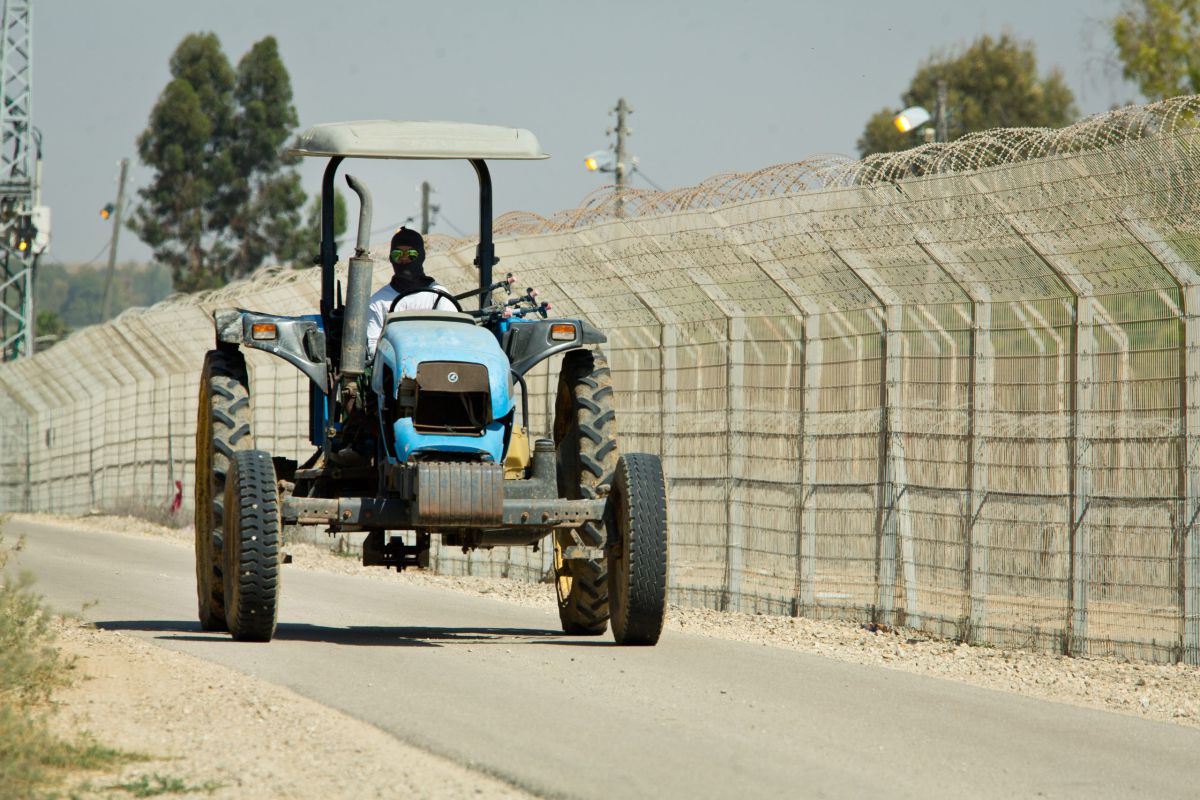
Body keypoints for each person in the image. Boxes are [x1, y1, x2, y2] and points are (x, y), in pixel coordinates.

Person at [365, 227, 451, 358]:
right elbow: (372, 349)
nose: (404, 259)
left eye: (411, 254)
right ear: (391, 258)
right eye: (397, 254)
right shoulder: (378, 301)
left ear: (421, 256)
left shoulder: (439, 296)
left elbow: (450, 342)